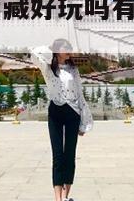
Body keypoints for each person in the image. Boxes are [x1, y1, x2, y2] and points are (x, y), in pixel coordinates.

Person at [31, 38, 93, 201]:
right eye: (66, 48)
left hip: (73, 112)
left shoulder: (73, 70)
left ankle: (66, 196)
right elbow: (34, 53)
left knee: (70, 155)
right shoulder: (47, 68)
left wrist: (84, 123)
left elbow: (80, 94)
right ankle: (57, 197)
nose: (69, 51)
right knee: (58, 155)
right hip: (55, 113)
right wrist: (50, 48)